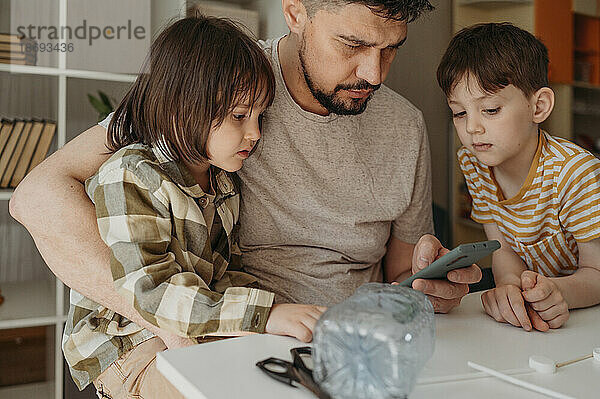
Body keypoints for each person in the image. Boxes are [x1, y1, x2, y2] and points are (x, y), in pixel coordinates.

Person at [11, 0, 480, 350]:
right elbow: (37, 195)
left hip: (354, 341)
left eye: (390, 49)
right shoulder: (220, 82)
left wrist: (428, 285)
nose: (374, 75)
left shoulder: (406, 126)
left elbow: (401, 273)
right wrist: (171, 326)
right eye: (353, 44)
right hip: (231, 336)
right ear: (296, 11)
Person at [60, 15, 326, 397]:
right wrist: (262, 314)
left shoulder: (223, 185)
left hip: (195, 332)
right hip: (128, 347)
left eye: (259, 116)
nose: (255, 132)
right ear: (182, 106)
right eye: (239, 115)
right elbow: (151, 290)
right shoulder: (130, 174)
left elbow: (222, 276)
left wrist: (278, 315)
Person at [437, 22, 600, 333]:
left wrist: (559, 292)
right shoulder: (474, 163)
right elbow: (503, 248)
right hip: (537, 318)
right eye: (459, 113)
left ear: (538, 106)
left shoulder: (574, 172)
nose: (472, 128)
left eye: (491, 109)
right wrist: (509, 289)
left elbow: (597, 272)